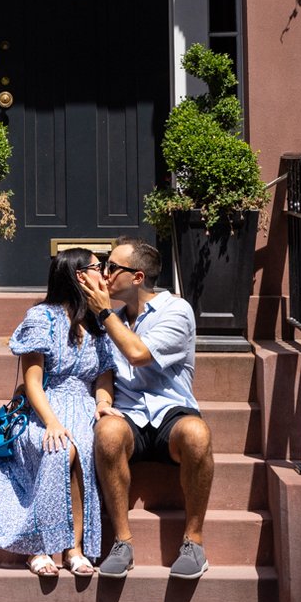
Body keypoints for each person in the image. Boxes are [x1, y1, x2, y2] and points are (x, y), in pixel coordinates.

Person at [0, 246, 114, 577]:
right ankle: (38, 546)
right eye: (97, 266)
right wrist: (52, 422)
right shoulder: (41, 318)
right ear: (78, 275)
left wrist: (103, 403)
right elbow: (33, 383)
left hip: (85, 408)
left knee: (87, 451)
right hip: (45, 408)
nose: (104, 272)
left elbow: (103, 377)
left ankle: (72, 548)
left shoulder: (99, 323)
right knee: (61, 449)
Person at [81, 235, 213, 579]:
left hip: (172, 412)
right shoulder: (111, 316)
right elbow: (106, 369)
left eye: (112, 267)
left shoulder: (175, 310)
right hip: (129, 416)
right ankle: (122, 543)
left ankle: (194, 541)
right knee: (107, 433)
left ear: (137, 277)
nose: (105, 274)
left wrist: (105, 313)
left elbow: (138, 355)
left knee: (197, 434)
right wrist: (103, 400)